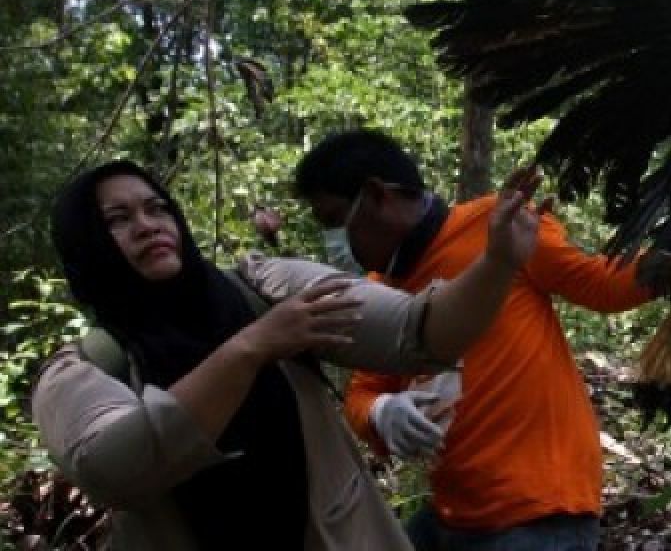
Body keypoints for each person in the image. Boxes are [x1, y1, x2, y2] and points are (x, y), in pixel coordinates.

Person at [32, 159, 545, 550]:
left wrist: (496, 264)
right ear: (87, 244)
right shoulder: (82, 370)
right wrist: (252, 349)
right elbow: (115, 466)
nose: (147, 225)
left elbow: (420, 332)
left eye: (156, 207)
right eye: (118, 220)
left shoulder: (262, 288)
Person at [293, 129, 659, 551]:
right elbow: (362, 392)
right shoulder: (379, 290)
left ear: (378, 196)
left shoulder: (498, 225)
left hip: (540, 510)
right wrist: (381, 412)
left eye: (333, 220)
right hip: (453, 513)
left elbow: (601, 285)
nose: (332, 241)